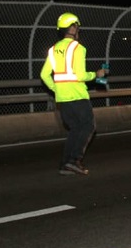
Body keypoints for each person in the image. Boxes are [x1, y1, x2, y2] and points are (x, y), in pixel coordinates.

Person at [40, 12, 107, 176]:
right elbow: (80, 75)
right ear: (72, 27)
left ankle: (66, 164)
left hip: (62, 98)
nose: (78, 30)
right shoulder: (78, 48)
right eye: (77, 26)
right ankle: (74, 160)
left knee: (75, 129)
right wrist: (96, 75)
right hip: (77, 95)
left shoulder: (53, 49)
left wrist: (57, 89)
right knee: (88, 126)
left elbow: (44, 74)